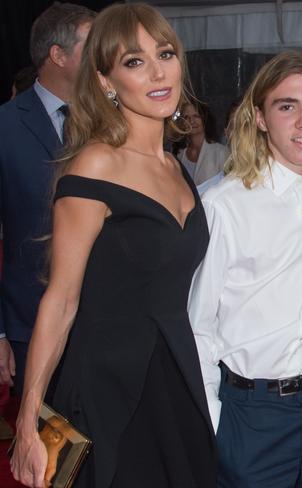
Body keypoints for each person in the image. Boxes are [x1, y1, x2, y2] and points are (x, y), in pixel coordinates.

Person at [10, 4, 218, 487]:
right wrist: (27, 421)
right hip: (109, 386)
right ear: (105, 80)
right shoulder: (95, 164)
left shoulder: (176, 168)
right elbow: (61, 300)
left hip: (175, 376)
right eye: (133, 61)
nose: (158, 71)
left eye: (164, 53)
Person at [188, 51, 302, 488]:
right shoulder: (221, 205)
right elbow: (198, 328)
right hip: (253, 413)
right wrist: (215, 424)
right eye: (288, 106)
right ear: (260, 117)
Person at [0, 2, 95, 398]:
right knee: (48, 449)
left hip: (108, 325)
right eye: (92, 46)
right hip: (31, 323)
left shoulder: (116, 125)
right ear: (58, 55)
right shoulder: (5, 125)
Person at [174, 100, 230, 185]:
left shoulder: (220, 152)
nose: (191, 121)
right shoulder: (179, 155)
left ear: (205, 119)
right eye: (186, 117)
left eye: (196, 116)